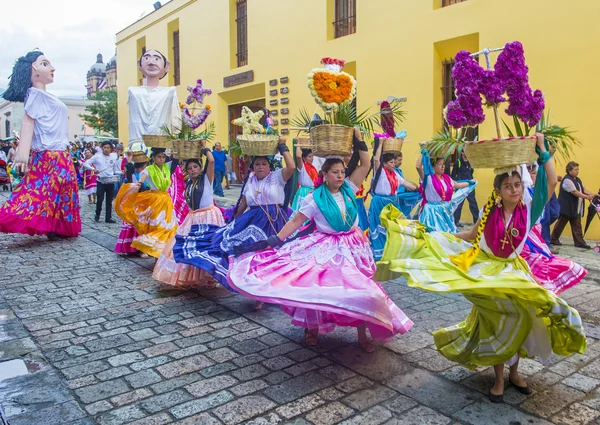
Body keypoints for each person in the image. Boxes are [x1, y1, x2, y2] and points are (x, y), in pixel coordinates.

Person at [377, 133, 586, 403]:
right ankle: (498, 379)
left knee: (522, 319)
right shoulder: (489, 213)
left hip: (514, 272)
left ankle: (515, 373)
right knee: (495, 322)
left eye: (516, 185)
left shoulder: (529, 210)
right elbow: (471, 235)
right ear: (498, 191)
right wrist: (439, 237)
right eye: (508, 186)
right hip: (487, 274)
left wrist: (543, 151)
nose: (514, 190)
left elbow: (552, 180)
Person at [228, 128, 413, 351]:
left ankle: (362, 333)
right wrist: (275, 240)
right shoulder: (313, 199)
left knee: (362, 289)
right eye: (335, 172)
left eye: (342, 172)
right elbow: (296, 222)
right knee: (317, 288)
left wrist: (359, 140)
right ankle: (312, 328)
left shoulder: (349, 188)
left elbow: (365, 164)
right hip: (327, 247)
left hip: (354, 246)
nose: (340, 176)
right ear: (324, 175)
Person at [173, 139, 294, 290]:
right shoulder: (250, 181)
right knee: (250, 254)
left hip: (276, 222)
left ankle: (277, 286)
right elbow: (242, 204)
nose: (261, 167)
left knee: (275, 254)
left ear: (269, 166)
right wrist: (232, 223)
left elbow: (291, 166)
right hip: (253, 222)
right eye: (257, 164)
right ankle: (257, 288)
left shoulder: (277, 177)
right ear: (253, 167)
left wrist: (283, 147)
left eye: (264, 164)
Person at [0, 51, 81, 239]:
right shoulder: (35, 94)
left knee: (63, 190)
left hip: (60, 153)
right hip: (48, 154)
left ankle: (57, 227)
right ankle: (42, 224)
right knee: (41, 191)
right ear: (33, 70)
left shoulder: (44, 95)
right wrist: (22, 153)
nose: (52, 68)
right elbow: (28, 121)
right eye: (45, 64)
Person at [154, 140, 225, 289]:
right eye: (190, 168)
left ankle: (210, 277)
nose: (193, 170)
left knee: (208, 247)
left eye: (195, 167)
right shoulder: (189, 184)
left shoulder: (206, 179)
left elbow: (211, 161)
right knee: (189, 247)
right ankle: (195, 277)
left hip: (209, 216)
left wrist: (204, 147)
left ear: (200, 168)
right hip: (193, 218)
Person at [521, 163, 587, 294]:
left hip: (532, 241)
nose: (531, 174)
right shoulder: (519, 195)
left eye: (533, 170)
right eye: (528, 170)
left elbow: (552, 182)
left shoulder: (534, 197)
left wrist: (545, 154)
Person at [115, 148, 178, 258]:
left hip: (166, 200)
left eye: (163, 157)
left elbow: (176, 160)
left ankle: (160, 252)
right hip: (155, 199)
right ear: (153, 158)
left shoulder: (167, 168)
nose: (161, 159)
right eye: (159, 157)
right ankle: (149, 248)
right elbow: (142, 179)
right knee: (156, 226)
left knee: (168, 226)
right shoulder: (149, 169)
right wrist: (138, 184)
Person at [369, 142, 417, 260]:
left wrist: (420, 190)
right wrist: (380, 144)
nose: (393, 164)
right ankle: (380, 253)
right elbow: (376, 160)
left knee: (394, 227)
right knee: (380, 227)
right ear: (384, 163)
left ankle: (392, 251)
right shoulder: (380, 172)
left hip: (392, 204)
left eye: (394, 162)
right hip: (380, 203)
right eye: (391, 162)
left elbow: (406, 184)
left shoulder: (395, 175)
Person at [416, 151, 476, 233]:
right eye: (440, 164)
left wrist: (470, 182)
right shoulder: (428, 179)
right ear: (433, 167)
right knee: (435, 234)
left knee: (446, 234)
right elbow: (418, 167)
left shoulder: (446, 178)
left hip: (444, 210)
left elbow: (457, 185)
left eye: (443, 164)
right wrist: (422, 152)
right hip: (432, 212)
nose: (443, 167)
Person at [551, 161, 595, 249]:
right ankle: (553, 239)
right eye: (575, 170)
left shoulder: (577, 180)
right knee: (561, 224)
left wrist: (593, 195)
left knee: (576, 225)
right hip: (567, 207)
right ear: (569, 170)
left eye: (578, 169)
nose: (577, 171)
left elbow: (583, 189)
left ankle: (579, 242)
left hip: (575, 208)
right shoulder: (567, 180)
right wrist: (587, 197)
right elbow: (575, 192)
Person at [115, 155, 148, 255]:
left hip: (145, 200)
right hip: (134, 202)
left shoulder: (146, 174)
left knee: (143, 224)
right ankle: (133, 247)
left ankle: (142, 248)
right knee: (135, 223)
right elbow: (128, 168)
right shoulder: (133, 175)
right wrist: (129, 157)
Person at [83, 141, 120, 223]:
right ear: (102, 148)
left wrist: (121, 172)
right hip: (100, 181)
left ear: (111, 149)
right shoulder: (97, 156)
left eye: (108, 148)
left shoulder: (113, 157)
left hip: (110, 181)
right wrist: (93, 169)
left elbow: (115, 170)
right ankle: (97, 215)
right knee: (100, 199)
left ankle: (108, 217)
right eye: (105, 147)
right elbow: (86, 164)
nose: (106, 149)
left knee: (109, 201)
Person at [451, 151, 479, 227]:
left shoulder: (470, 162)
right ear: (462, 153)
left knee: (473, 204)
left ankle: (477, 221)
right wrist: (453, 186)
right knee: (459, 204)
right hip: (461, 186)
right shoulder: (458, 162)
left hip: (470, 186)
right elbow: (453, 175)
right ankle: (456, 222)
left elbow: (471, 172)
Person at [394, 152, 422, 218]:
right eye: (399, 160)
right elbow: (404, 183)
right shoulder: (392, 171)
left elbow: (404, 182)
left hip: (403, 193)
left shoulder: (399, 170)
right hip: (398, 195)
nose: (400, 162)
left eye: (401, 160)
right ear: (394, 160)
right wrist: (416, 189)